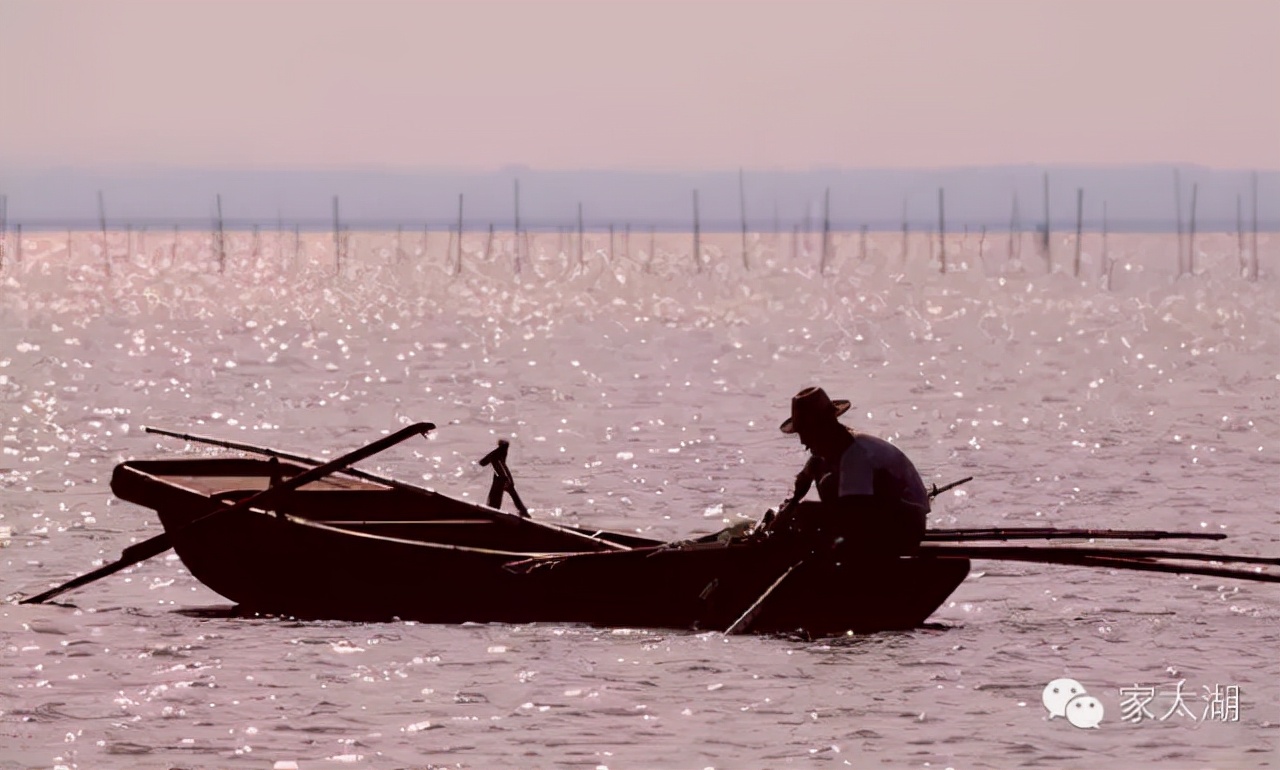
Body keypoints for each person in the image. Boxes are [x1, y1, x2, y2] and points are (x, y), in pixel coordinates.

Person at [764, 386, 929, 557]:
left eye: (806, 433)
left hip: (905, 527)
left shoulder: (856, 454)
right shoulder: (827, 453)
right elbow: (805, 481)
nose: (803, 441)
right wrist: (790, 506)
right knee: (806, 508)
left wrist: (803, 513)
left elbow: (853, 512)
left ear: (823, 428)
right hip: (876, 520)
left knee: (807, 513)